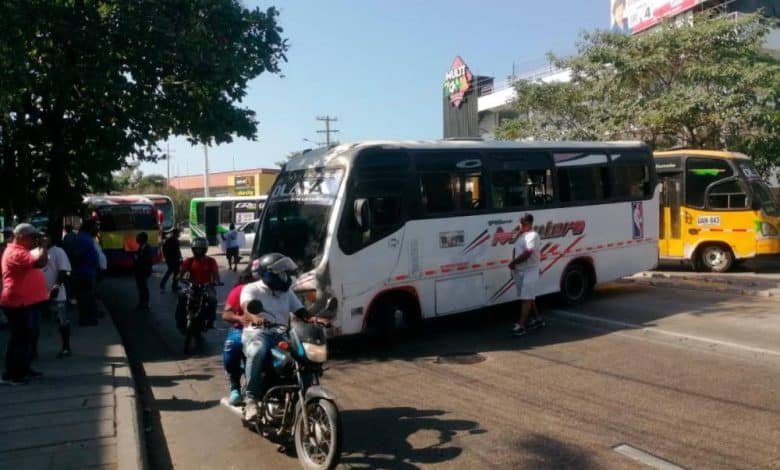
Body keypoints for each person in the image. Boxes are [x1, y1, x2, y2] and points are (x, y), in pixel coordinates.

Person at [239, 253, 329, 421]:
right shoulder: (252, 289)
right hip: (258, 334)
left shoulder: (285, 293)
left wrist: (315, 319)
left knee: (303, 356)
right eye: (281, 273)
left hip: (281, 333)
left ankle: (306, 394)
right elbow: (247, 308)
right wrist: (256, 318)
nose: (285, 277)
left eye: (286, 273)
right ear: (269, 273)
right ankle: (251, 399)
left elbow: (301, 312)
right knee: (257, 351)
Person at [1, 224, 48, 385]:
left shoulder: (21, 251)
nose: (35, 240)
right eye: (33, 237)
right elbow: (40, 263)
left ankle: (23, 368)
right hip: (17, 302)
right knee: (19, 340)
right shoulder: (15, 253)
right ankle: (13, 374)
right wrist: (44, 246)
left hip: (25, 301)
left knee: (26, 338)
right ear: (21, 237)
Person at [220, 264, 261, 406]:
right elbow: (226, 313)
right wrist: (240, 318)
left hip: (269, 332)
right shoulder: (239, 290)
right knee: (232, 347)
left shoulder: (277, 291)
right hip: (242, 330)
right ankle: (235, 386)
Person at [508, 214, 544, 337]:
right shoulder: (522, 235)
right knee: (528, 297)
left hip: (530, 270)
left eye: (522, 223)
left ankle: (521, 326)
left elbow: (528, 253)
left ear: (529, 223)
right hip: (520, 270)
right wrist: (513, 267)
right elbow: (514, 248)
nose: (520, 225)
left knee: (526, 299)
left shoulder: (533, 236)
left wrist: (513, 263)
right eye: (520, 223)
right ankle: (538, 319)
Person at [176, 237, 220, 331]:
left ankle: (210, 322)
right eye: (197, 248)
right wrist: (179, 277)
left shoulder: (211, 261)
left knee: (213, 300)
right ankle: (180, 320)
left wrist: (216, 281)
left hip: (207, 287)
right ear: (193, 249)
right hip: (192, 286)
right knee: (181, 296)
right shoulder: (189, 261)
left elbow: (216, 275)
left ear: (205, 249)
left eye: (200, 249)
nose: (198, 251)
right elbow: (181, 273)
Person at [43, 230, 73, 358]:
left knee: (62, 322)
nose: (42, 239)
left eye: (45, 236)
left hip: (57, 295)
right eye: (39, 237)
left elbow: (64, 271)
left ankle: (66, 347)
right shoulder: (35, 252)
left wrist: (56, 286)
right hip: (39, 295)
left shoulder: (58, 251)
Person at [71, 220, 100, 326]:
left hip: (84, 271)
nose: (97, 230)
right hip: (86, 272)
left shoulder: (81, 237)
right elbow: (78, 255)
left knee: (84, 296)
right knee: (87, 296)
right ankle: (87, 319)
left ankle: (87, 317)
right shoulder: (85, 239)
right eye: (95, 227)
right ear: (90, 228)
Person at [134, 232, 154, 311]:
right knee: (140, 288)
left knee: (144, 288)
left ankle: (145, 304)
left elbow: (147, 260)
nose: (136, 240)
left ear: (142, 239)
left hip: (144, 271)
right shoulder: (140, 247)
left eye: (138, 238)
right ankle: (141, 303)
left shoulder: (147, 248)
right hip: (139, 271)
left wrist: (138, 258)